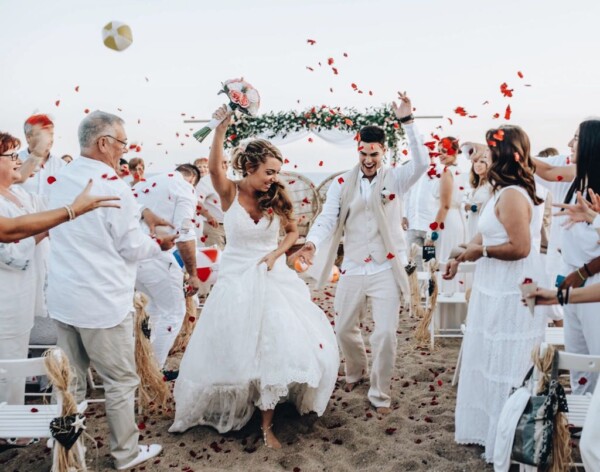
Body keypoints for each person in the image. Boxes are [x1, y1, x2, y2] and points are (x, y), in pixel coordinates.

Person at [170, 106, 339, 450]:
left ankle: (267, 424)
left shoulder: (276, 196)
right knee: (236, 346)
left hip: (272, 277)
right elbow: (215, 166)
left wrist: (278, 253)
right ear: (249, 167)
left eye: (278, 172)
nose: (274, 178)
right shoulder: (229, 192)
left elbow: (293, 232)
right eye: (269, 172)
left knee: (273, 346)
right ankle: (241, 405)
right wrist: (219, 128)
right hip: (235, 278)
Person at [47, 111, 176, 470]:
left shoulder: (55, 177)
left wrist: (143, 213)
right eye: (122, 143)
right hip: (101, 302)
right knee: (120, 380)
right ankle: (125, 454)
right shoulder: (112, 184)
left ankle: (71, 457)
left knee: (70, 384)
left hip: (62, 296)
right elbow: (131, 247)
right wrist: (159, 245)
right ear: (104, 143)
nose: (125, 149)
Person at [293, 92, 428, 414]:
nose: (368, 159)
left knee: (384, 335)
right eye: (363, 152)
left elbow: (422, 163)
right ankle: (355, 370)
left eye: (374, 153)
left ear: (383, 152)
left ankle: (380, 391)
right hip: (353, 266)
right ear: (358, 150)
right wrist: (311, 242)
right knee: (343, 328)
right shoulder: (342, 182)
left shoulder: (396, 177)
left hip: (385, 268)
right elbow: (327, 217)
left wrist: (408, 122)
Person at [444, 125, 547, 463]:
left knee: (508, 365)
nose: (484, 155)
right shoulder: (497, 191)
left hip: (511, 293)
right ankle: (493, 434)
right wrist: (459, 256)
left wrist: (481, 253)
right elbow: (481, 237)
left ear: (504, 156)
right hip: (493, 291)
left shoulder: (514, 195)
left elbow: (520, 247)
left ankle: (506, 441)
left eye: (490, 150)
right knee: (489, 361)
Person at [532, 119, 600, 394]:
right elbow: (546, 170)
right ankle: (581, 411)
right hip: (571, 274)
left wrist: (582, 273)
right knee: (577, 350)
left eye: (576, 138)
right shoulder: (574, 182)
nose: (570, 143)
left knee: (596, 351)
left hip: (593, 279)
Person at [133, 164, 201, 369]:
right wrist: (193, 274)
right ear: (192, 180)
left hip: (131, 258)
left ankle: (143, 360)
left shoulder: (140, 186)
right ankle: (153, 371)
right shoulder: (185, 188)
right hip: (157, 258)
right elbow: (185, 234)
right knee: (174, 313)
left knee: (155, 309)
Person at [17, 114, 66, 199]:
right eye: (43, 135)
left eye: (51, 134)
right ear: (28, 137)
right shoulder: (13, 162)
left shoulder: (63, 166)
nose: (49, 140)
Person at [462, 143, 492, 241]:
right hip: (471, 225)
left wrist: (473, 207)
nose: (478, 165)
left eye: (482, 162)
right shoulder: (475, 186)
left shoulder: (491, 185)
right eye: (475, 161)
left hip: (483, 229)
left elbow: (493, 206)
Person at [196, 159, 228, 249]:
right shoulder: (205, 182)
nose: (224, 165)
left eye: (226, 162)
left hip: (231, 226)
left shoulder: (231, 179)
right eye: (221, 162)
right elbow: (197, 201)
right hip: (214, 227)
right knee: (217, 258)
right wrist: (208, 216)